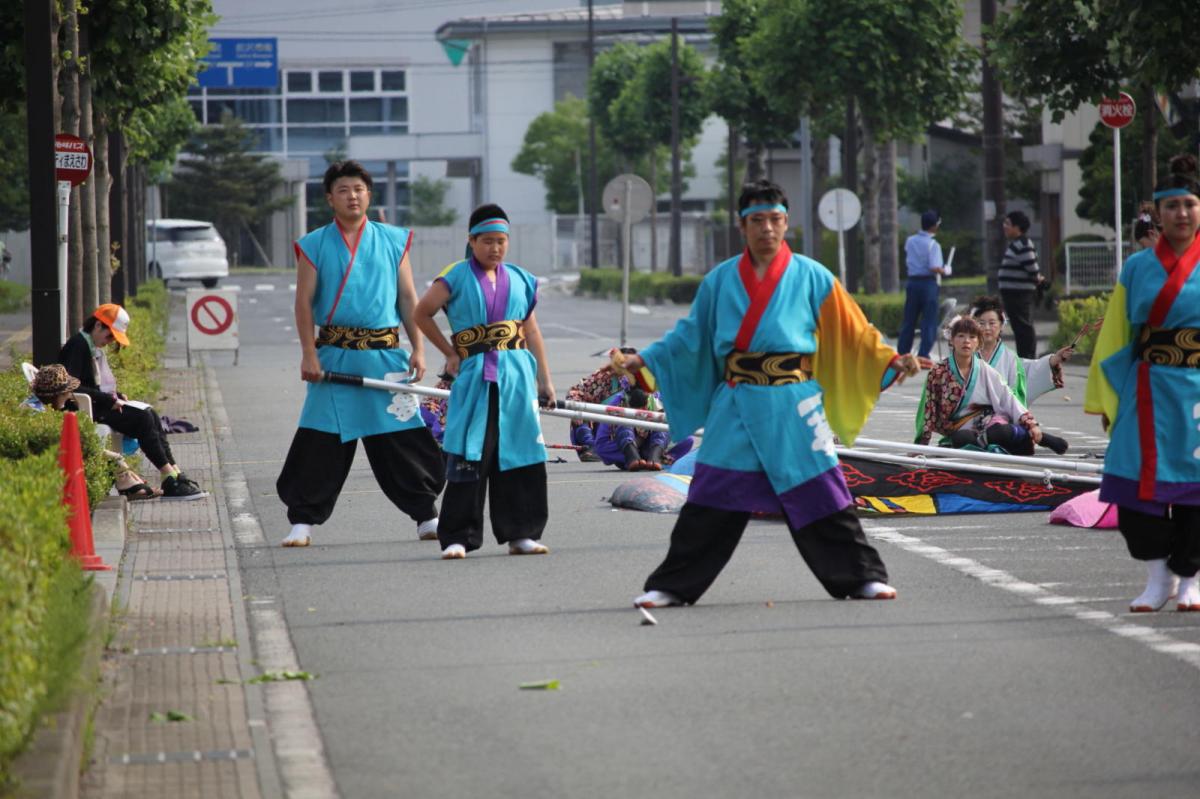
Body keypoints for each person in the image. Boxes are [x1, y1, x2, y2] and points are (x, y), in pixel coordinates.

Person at [617, 179, 920, 609]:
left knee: (823, 492)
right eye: (757, 220)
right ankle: (672, 585)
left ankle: (862, 577)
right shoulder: (720, 281)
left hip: (795, 403)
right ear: (742, 225)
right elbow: (688, 337)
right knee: (710, 495)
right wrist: (644, 361)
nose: (767, 229)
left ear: (786, 223)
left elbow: (856, 332)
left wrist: (891, 360)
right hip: (736, 402)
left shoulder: (814, 277)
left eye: (775, 219)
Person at [276, 160, 445, 548]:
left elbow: (408, 299)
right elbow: (304, 303)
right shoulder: (315, 244)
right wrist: (308, 354)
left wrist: (418, 349)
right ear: (329, 199)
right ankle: (302, 521)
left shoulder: (394, 240)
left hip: (385, 357)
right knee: (320, 440)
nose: (352, 196)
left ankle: (426, 515)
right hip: (334, 357)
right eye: (343, 190)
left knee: (401, 438)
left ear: (369, 194)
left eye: (358, 189)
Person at [1085, 153, 1200, 613]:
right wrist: (1107, 398)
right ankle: (1157, 576)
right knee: (1131, 487)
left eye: (1190, 204)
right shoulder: (1136, 268)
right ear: (1157, 212)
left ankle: (1191, 577)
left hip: (1198, 392)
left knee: (1195, 489)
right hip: (1147, 388)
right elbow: (1117, 335)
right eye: (1172, 206)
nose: (1182, 213)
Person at [414, 203, 554, 560]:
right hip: (476, 378)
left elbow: (531, 331)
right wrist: (449, 352)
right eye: (487, 241)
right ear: (472, 241)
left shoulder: (521, 279)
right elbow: (421, 313)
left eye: (501, 241)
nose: (495, 248)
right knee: (470, 453)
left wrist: (545, 381)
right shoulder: (455, 275)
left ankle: (522, 534)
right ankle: (458, 537)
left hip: (516, 379)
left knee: (521, 453)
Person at [59, 304, 205, 500]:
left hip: (97, 404)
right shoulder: (78, 346)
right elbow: (71, 386)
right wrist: (108, 399)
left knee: (150, 413)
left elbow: (92, 385)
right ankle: (169, 477)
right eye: (109, 336)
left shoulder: (89, 345)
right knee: (142, 418)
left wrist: (116, 395)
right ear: (98, 326)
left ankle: (174, 472)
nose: (109, 342)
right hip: (85, 408)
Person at [916, 316, 1066, 455]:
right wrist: (921, 444)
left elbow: (1007, 397)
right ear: (951, 340)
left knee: (1000, 432)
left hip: (989, 421)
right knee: (961, 439)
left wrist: (1031, 424)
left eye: (972, 337)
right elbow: (928, 409)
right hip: (959, 427)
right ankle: (992, 443)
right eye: (961, 336)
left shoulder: (984, 369)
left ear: (978, 343)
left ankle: (1033, 436)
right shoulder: (938, 372)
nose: (966, 341)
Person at [22, 363, 160, 500]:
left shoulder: (37, 405)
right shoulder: (38, 414)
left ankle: (130, 484)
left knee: (112, 456)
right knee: (110, 456)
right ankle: (129, 486)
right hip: (53, 459)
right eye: (67, 392)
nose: (70, 396)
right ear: (58, 394)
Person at [590, 386, 693, 471]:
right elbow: (601, 447)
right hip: (625, 451)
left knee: (684, 438)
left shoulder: (659, 400)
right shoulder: (617, 403)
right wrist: (633, 445)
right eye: (636, 408)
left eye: (643, 407)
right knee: (624, 425)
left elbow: (682, 430)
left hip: (653, 448)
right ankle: (633, 457)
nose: (641, 411)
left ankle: (655, 457)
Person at [897, 210, 946, 369]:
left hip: (912, 283)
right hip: (928, 284)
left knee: (909, 320)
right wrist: (946, 270)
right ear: (934, 226)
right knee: (929, 322)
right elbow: (934, 267)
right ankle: (923, 356)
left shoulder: (910, 241)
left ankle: (902, 355)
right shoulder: (933, 245)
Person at [565, 356, 635, 462]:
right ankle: (592, 446)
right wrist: (575, 411)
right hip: (599, 429)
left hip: (629, 431)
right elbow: (575, 392)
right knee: (580, 410)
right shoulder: (604, 376)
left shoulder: (644, 381)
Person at [997, 210, 1044, 359]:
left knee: (1024, 327)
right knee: (1019, 328)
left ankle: (1028, 358)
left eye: (1008, 224)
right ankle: (1024, 357)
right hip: (1013, 295)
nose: (1004, 226)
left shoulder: (1023, 244)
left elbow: (1033, 269)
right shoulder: (1017, 244)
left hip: (1020, 295)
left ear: (1017, 227)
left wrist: (1039, 278)